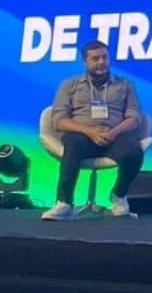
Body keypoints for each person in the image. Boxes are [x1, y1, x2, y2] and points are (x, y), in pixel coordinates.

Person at [42, 41, 146, 220]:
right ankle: (64, 203)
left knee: (134, 151)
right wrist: (90, 132)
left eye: (104, 57)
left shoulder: (125, 85)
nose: (101, 62)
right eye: (95, 58)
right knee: (72, 142)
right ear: (85, 61)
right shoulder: (69, 85)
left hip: (115, 135)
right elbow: (59, 120)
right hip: (82, 136)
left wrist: (113, 133)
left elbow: (135, 117)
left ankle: (119, 194)